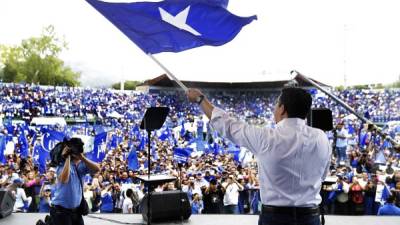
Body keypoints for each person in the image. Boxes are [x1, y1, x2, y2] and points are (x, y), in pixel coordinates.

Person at [187, 87, 331, 225]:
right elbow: (322, 176)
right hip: (310, 218)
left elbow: (228, 125)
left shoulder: (266, 138)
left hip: (275, 219)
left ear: (282, 109)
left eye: (276, 105)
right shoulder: (321, 138)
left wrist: (200, 99)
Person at [50, 138, 100, 225]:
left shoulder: (81, 166)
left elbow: (97, 169)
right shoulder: (61, 165)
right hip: (61, 211)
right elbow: (64, 179)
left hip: (76, 211)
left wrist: (82, 157)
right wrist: (67, 158)